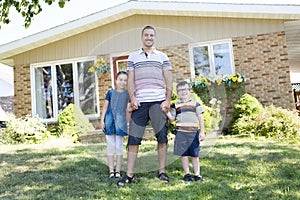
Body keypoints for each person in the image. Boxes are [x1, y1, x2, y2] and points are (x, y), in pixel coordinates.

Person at [117, 25, 172, 186]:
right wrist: (132, 98)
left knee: (162, 137)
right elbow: (130, 79)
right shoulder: (133, 57)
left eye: (152, 35)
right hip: (139, 102)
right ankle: (129, 175)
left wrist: (167, 100)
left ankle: (162, 171)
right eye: (146, 35)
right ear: (142, 37)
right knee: (133, 139)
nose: (149, 37)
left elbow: (168, 79)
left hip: (158, 101)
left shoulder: (162, 57)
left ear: (155, 38)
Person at [166, 81, 206, 182]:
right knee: (184, 154)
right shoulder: (176, 105)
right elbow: (172, 119)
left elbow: (200, 118)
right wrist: (166, 112)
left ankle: (197, 175)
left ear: (190, 91)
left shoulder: (196, 104)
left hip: (193, 133)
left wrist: (202, 131)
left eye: (185, 89)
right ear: (177, 93)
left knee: (195, 154)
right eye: (180, 90)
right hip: (181, 133)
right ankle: (187, 174)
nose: (183, 92)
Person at [100, 71, 130, 179]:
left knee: (119, 147)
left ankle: (118, 171)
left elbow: (128, 109)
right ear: (116, 80)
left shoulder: (127, 94)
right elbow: (105, 107)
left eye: (125, 80)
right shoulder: (110, 93)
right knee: (110, 147)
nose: (122, 82)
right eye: (120, 79)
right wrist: (102, 121)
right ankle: (111, 171)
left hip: (120, 123)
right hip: (109, 121)